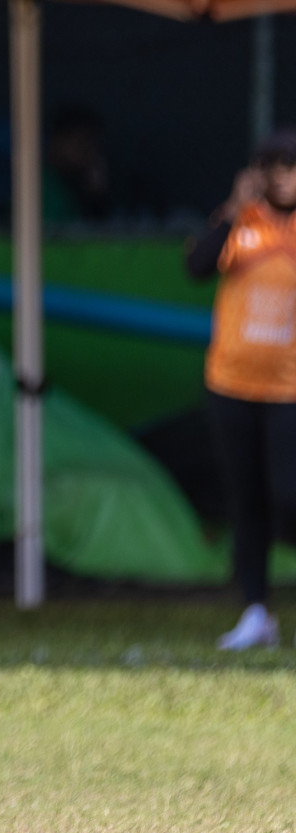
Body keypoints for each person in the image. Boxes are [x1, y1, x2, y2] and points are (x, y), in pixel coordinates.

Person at [186, 127, 296, 651]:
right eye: (274, 166)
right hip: (231, 386)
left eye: (291, 166)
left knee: (287, 494)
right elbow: (196, 266)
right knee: (246, 502)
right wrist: (234, 205)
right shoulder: (240, 222)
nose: (284, 176)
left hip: (290, 391)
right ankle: (255, 611)